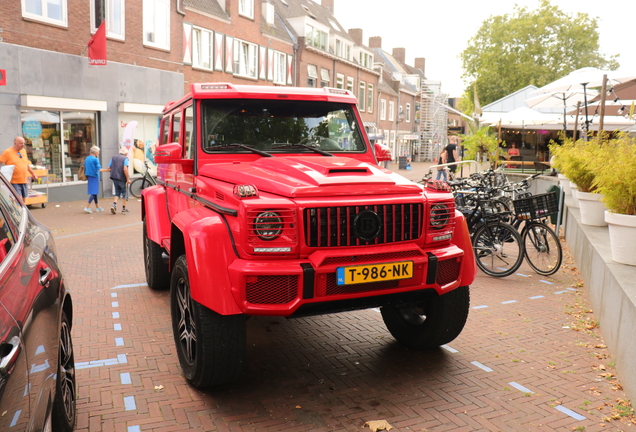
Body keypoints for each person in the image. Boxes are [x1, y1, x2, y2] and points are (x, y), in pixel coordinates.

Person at [101, 146, 131, 215]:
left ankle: (114, 205)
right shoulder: (125, 158)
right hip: (121, 178)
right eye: (127, 153)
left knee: (117, 192)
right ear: (125, 153)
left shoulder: (114, 157)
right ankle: (123, 209)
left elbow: (109, 167)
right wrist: (128, 179)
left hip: (114, 177)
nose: (127, 154)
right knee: (124, 193)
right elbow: (125, 169)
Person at [83, 146, 103, 213]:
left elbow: (84, 165)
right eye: (98, 152)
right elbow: (99, 169)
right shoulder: (95, 159)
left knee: (94, 192)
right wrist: (108, 170)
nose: (99, 153)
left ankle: (97, 207)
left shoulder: (87, 158)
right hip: (95, 176)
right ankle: (87, 207)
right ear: (96, 152)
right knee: (94, 192)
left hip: (89, 176)